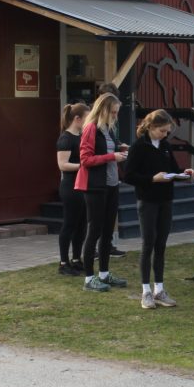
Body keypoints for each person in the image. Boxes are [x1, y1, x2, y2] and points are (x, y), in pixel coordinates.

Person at [124, 109, 194, 309]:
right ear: (151, 127)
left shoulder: (165, 145)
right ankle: (146, 291)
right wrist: (151, 179)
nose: (165, 135)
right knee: (148, 244)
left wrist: (184, 173)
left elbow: (172, 169)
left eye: (167, 131)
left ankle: (159, 289)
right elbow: (128, 175)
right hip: (147, 200)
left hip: (166, 199)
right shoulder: (139, 146)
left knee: (161, 245)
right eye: (162, 131)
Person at [75, 92, 130, 291]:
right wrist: (112, 156)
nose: (115, 116)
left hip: (112, 185)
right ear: (104, 110)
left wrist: (120, 150)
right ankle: (89, 278)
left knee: (108, 232)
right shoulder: (91, 128)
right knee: (95, 231)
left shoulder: (108, 129)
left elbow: (108, 151)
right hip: (95, 186)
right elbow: (85, 160)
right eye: (113, 112)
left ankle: (104, 274)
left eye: (117, 112)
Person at [96, 82, 130, 258]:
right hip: (98, 178)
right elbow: (89, 156)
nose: (115, 114)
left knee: (110, 216)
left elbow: (112, 142)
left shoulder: (111, 123)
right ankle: (93, 249)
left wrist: (121, 146)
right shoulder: (93, 125)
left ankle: (107, 246)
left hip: (112, 175)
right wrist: (112, 155)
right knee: (96, 217)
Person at [56, 102, 89, 276]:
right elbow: (62, 165)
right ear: (77, 119)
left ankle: (76, 259)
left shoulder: (82, 136)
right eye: (86, 118)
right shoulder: (66, 138)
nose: (88, 121)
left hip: (83, 185)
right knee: (69, 223)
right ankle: (63, 263)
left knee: (82, 224)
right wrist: (83, 165)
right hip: (70, 186)